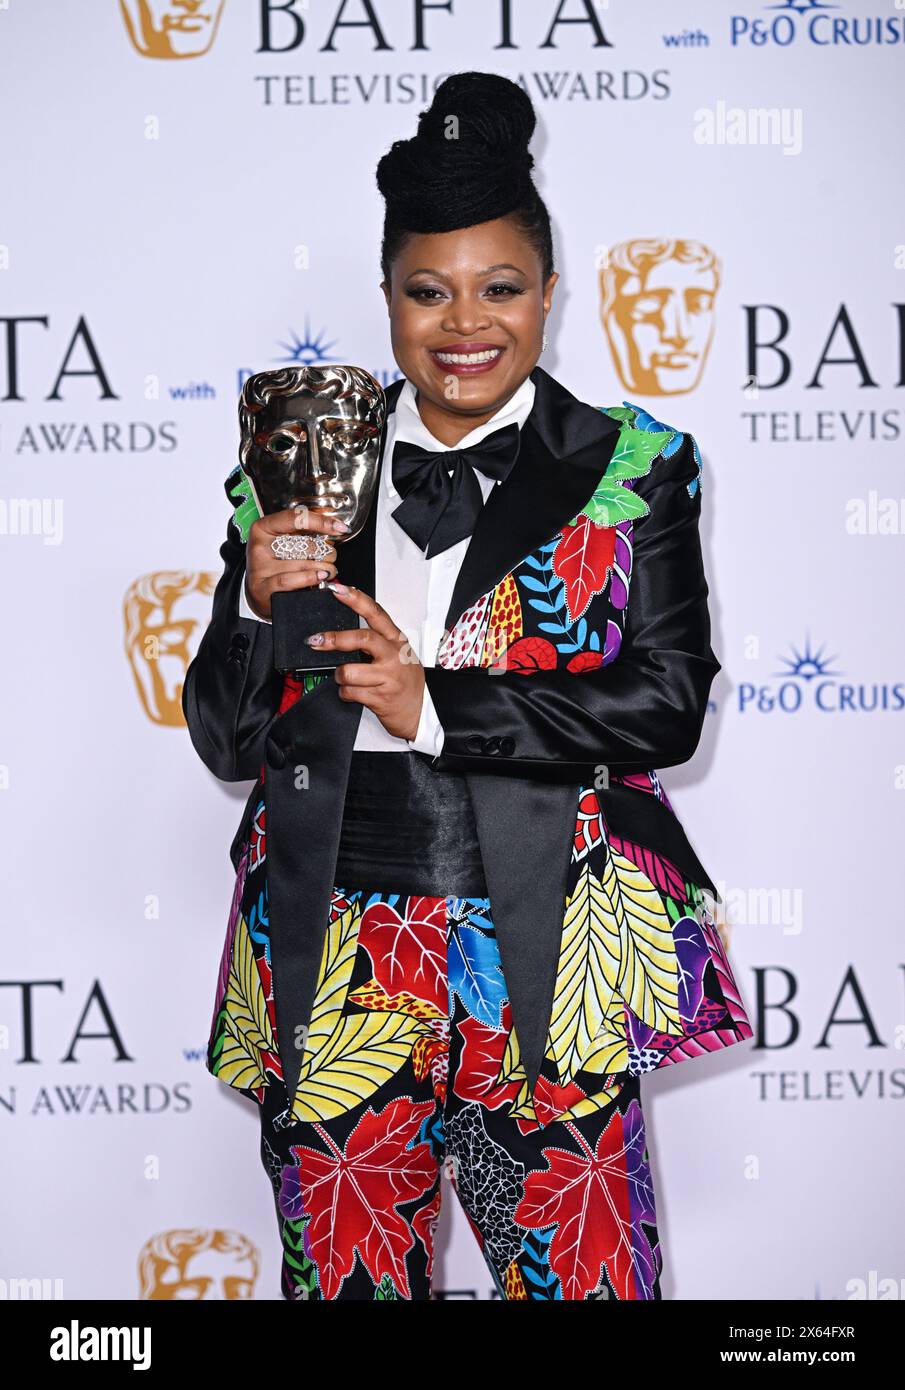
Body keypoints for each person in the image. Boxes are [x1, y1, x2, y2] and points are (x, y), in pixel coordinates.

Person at [182, 70, 754, 1302]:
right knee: (344, 1285)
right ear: (385, 297)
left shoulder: (634, 467)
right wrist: (250, 597)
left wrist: (431, 703)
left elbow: (666, 701)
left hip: (549, 940)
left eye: (500, 288)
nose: (464, 323)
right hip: (330, 945)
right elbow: (229, 738)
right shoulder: (297, 473)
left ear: (550, 292)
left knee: (587, 1282)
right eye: (425, 291)